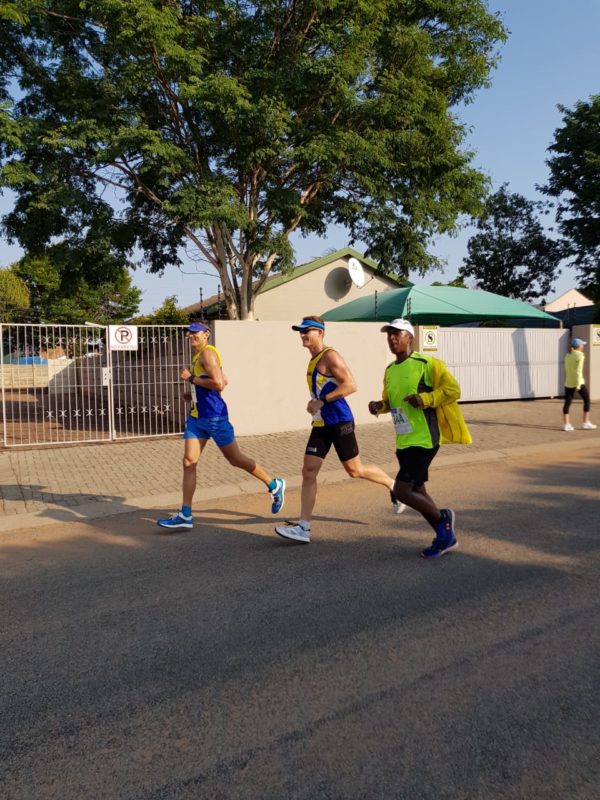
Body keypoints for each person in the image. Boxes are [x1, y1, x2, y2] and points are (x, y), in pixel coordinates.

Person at [274, 315, 401, 544]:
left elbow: (351, 385)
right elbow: (322, 390)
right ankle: (303, 528)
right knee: (308, 471)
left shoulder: (330, 356)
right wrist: (315, 403)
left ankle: (394, 486)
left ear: (320, 333)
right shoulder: (313, 359)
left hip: (340, 422)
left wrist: (322, 401)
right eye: (301, 331)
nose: (303, 335)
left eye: (307, 331)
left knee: (355, 470)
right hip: (322, 424)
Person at [157, 322, 285, 529]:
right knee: (189, 462)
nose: (191, 336)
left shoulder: (208, 354)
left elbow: (219, 384)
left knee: (235, 459)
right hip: (197, 418)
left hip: (215, 417)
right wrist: (194, 394)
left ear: (206, 334)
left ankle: (274, 484)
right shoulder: (199, 357)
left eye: (195, 333)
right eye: (189, 333)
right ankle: (186, 514)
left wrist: (192, 379)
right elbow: (224, 380)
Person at [368, 319, 472, 559]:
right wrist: (379, 406)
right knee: (417, 489)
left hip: (425, 438)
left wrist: (425, 399)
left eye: (397, 334)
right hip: (403, 439)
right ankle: (445, 534)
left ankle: (443, 521)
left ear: (409, 338)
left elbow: (453, 390)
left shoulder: (427, 364)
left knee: (402, 491)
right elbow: (391, 402)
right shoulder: (390, 370)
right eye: (389, 335)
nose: (392, 338)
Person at [563, 337, 596, 431]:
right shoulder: (580, 355)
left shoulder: (568, 355)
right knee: (587, 400)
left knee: (567, 403)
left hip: (568, 382)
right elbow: (578, 371)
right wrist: (578, 385)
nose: (583, 346)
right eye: (582, 344)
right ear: (579, 346)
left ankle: (566, 425)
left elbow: (567, 369)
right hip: (579, 382)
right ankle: (585, 423)